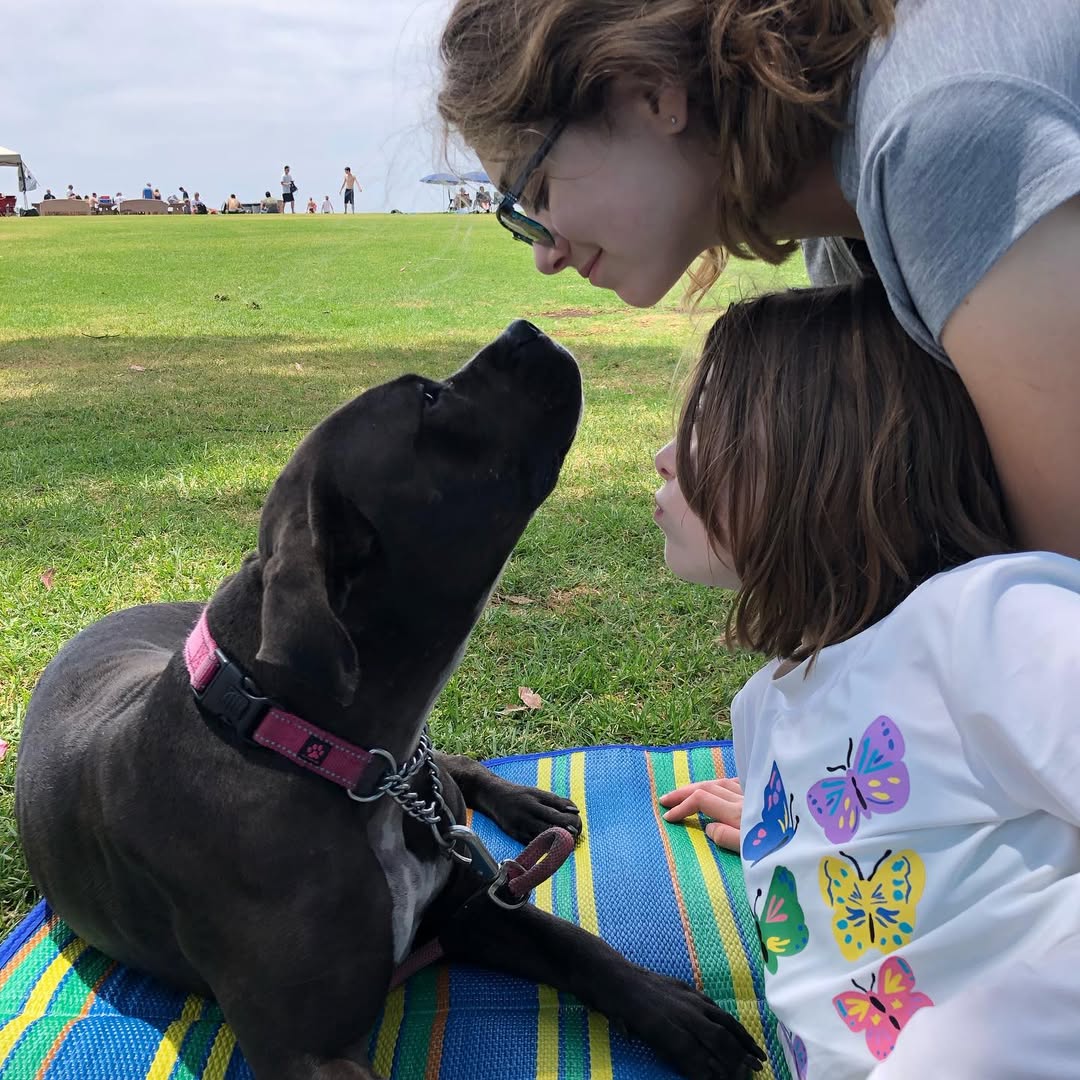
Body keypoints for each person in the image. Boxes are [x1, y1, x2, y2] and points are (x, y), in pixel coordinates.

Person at [437, 0, 1080, 560]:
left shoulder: (934, 137)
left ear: (654, 91)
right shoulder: (840, 244)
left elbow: (1058, 609)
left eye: (534, 192)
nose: (542, 255)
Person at [652, 274, 1080, 1079]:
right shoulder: (766, 710)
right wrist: (809, 829)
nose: (663, 457)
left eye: (704, 425)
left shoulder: (984, 625)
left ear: (820, 454)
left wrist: (984, 1044)